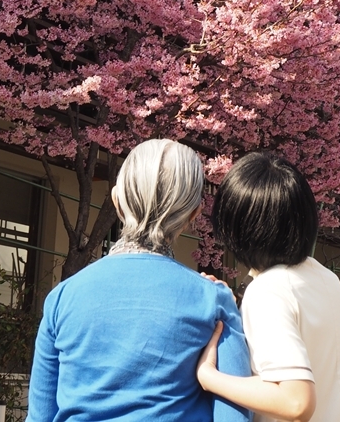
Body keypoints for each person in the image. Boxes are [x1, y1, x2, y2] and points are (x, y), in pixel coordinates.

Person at [26, 139, 251, 422]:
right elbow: (234, 416)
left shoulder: (61, 297)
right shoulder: (214, 300)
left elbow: (39, 416)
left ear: (117, 201)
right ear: (194, 214)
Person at [197, 152, 340, 422]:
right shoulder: (326, 279)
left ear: (241, 229)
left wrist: (209, 377)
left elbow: (296, 402)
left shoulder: (268, 290)